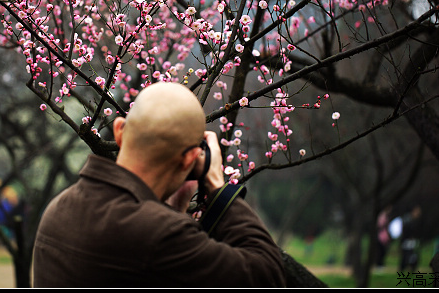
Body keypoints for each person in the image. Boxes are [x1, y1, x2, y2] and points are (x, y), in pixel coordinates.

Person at [32, 82, 286, 287]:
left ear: (119, 130)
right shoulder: (160, 234)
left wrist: (170, 210)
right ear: (189, 159)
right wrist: (217, 186)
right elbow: (268, 275)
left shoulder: (59, 208)